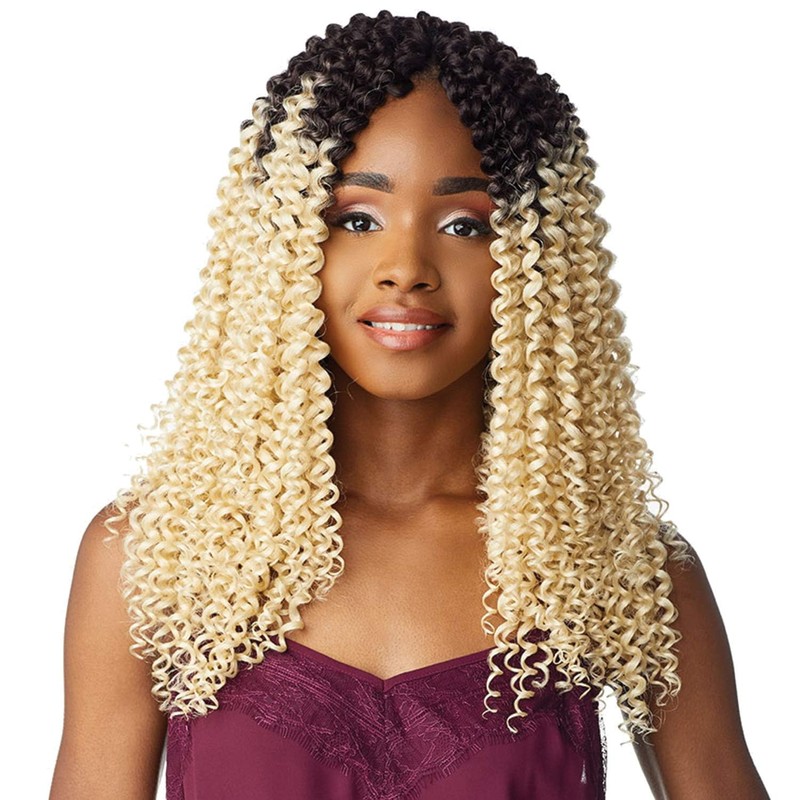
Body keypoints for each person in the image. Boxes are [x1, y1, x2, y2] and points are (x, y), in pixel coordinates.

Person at [50, 10, 769, 800]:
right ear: (282, 245)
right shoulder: (156, 556)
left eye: (466, 225)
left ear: (538, 262)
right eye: (357, 219)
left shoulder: (621, 570)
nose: (406, 267)